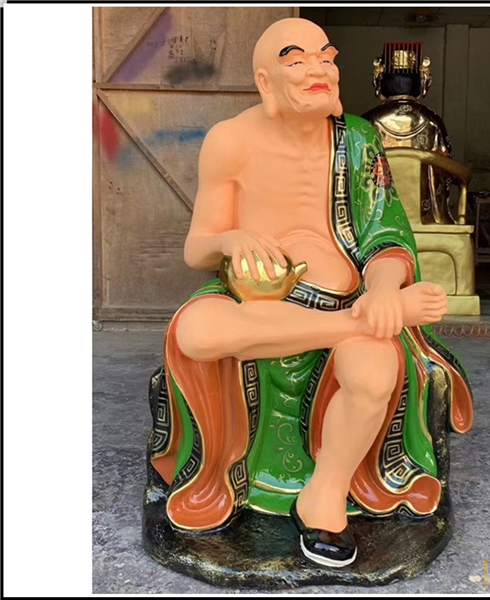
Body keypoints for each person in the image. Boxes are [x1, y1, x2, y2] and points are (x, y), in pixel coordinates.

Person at [148, 17, 473, 568]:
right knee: (196, 331)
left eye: (327, 56)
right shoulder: (230, 141)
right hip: (258, 301)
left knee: (374, 370)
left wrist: (384, 290)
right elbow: (197, 249)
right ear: (265, 81)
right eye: (297, 60)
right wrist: (230, 238)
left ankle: (324, 496)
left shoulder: (360, 140)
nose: (318, 69)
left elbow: (386, 232)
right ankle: (354, 326)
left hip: (348, 295)